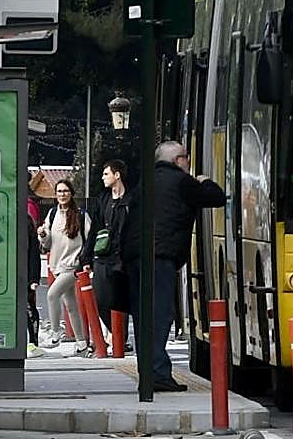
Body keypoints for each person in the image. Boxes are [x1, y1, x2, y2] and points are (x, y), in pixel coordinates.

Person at [122, 142, 225, 393]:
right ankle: (157, 374)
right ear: (178, 160)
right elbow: (216, 198)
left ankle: (148, 371)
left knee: (143, 315)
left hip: (135, 256)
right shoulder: (181, 181)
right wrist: (205, 181)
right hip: (160, 256)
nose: (188, 162)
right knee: (160, 315)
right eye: (186, 158)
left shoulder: (145, 182)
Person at [80, 160, 135, 343]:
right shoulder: (103, 200)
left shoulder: (132, 199)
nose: (103, 178)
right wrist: (86, 257)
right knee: (100, 298)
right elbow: (94, 229)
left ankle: (121, 340)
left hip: (123, 258)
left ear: (117, 175)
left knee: (120, 299)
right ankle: (113, 332)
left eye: (106, 174)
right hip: (102, 256)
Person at [37, 178, 93, 355]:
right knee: (71, 306)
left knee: (52, 294)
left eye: (65, 191)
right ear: (55, 194)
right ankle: (81, 342)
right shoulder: (52, 214)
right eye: (59, 191)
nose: (62, 194)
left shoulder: (81, 215)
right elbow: (47, 242)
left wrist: (86, 263)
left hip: (73, 266)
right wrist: (43, 235)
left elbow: (89, 240)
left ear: (71, 193)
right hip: (57, 264)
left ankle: (55, 333)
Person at [26, 200, 44, 359]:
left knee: (28, 307)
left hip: (24, 275)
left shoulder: (27, 222)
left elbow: (34, 254)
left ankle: (32, 342)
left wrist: (34, 278)